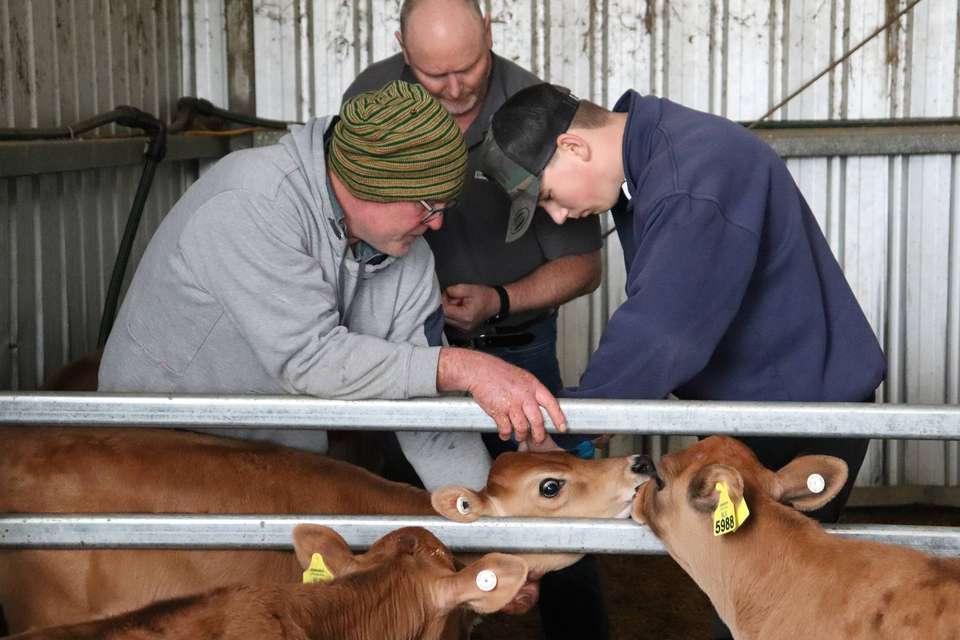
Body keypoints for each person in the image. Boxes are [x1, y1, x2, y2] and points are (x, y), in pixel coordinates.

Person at [480, 82, 887, 639]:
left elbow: (666, 329)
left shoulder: (690, 179)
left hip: (799, 415)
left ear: (573, 147)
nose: (558, 214)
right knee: (741, 583)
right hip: (765, 404)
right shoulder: (661, 155)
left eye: (549, 195)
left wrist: (575, 419)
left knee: (764, 594)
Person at [98, 80, 568, 494]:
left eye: (444, 206)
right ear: (370, 183)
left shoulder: (409, 257)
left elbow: (424, 409)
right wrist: (461, 367)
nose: (437, 223)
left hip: (271, 459)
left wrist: (484, 523)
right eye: (427, 205)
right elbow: (308, 358)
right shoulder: (252, 203)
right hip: (155, 454)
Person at [342, 4, 610, 640]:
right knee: (412, 527)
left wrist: (501, 299)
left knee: (556, 515)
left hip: (517, 350)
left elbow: (584, 267)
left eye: (469, 67)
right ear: (402, 48)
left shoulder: (536, 112)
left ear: (490, 33)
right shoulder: (370, 99)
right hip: (407, 355)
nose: (456, 88)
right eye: (434, 75)